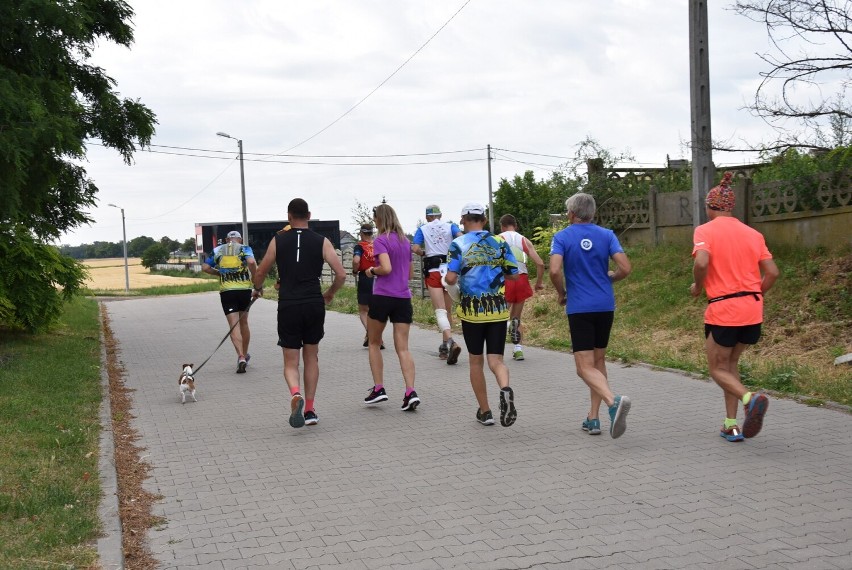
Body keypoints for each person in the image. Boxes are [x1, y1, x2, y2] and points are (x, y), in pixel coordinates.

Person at [690, 172, 779, 442]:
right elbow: (772, 273)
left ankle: (750, 399)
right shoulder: (753, 233)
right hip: (752, 309)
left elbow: (702, 263)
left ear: (710, 207)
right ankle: (731, 425)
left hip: (724, 309)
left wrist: (697, 286)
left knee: (716, 369)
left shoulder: (705, 230)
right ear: (731, 207)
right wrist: (754, 294)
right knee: (730, 364)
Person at [252, 198, 347, 428]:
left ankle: (295, 394)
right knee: (311, 357)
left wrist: (257, 287)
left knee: (290, 361)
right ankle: (311, 409)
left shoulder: (278, 240)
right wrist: (330, 293)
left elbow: (261, 271)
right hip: (314, 303)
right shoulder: (322, 241)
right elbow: (342, 274)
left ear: (288, 216)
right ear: (310, 215)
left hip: (288, 304)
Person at [549, 193, 632, 439]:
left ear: (571, 214)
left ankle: (612, 402)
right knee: (598, 363)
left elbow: (554, 270)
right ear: (592, 213)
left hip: (580, 307)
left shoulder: (562, 237)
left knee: (583, 367)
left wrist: (561, 292)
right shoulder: (607, 235)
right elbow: (625, 268)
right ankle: (593, 418)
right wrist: (611, 279)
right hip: (605, 306)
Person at [444, 202, 519, 427]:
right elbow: (514, 275)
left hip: (472, 313)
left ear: (463, 221)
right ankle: (505, 388)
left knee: (476, 362)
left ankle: (485, 412)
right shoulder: (500, 242)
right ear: (484, 220)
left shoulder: (458, 244)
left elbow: (449, 279)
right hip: (498, 310)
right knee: (496, 360)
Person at [362, 204, 420, 411]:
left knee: (374, 343)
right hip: (403, 298)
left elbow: (385, 268)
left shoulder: (380, 240)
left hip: (383, 297)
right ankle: (410, 391)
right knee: (403, 347)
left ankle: (379, 388)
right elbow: (410, 274)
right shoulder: (406, 242)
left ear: (379, 219)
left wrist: (371, 271)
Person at [412, 204, 464, 364]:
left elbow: (414, 248)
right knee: (447, 310)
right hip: (449, 269)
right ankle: (444, 346)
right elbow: (460, 237)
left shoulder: (423, 228)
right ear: (440, 215)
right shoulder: (451, 226)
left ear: (427, 217)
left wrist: (423, 252)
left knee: (439, 311)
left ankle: (450, 342)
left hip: (433, 269)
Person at [202, 230, 257, 374]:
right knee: (244, 323)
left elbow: (205, 267)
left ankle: (240, 357)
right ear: (239, 239)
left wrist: (218, 272)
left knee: (234, 326)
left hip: (227, 292)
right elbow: (251, 262)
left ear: (227, 239)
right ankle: (245, 354)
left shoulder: (218, 250)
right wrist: (256, 280)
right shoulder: (244, 248)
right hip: (244, 290)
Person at [498, 214, 545, 361]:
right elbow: (540, 263)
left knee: (500, 315)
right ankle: (518, 350)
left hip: (505, 279)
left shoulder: (497, 239)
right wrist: (538, 282)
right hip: (522, 278)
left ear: (502, 226)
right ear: (516, 225)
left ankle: (498, 346)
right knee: (517, 317)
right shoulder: (524, 240)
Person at [351, 223, 384, 350]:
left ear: (361, 233)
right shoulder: (378, 245)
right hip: (379, 277)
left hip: (366, 277)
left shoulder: (360, 246)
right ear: (372, 233)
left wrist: (354, 271)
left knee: (364, 310)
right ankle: (377, 337)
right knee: (376, 310)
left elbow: (356, 261)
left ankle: (373, 335)